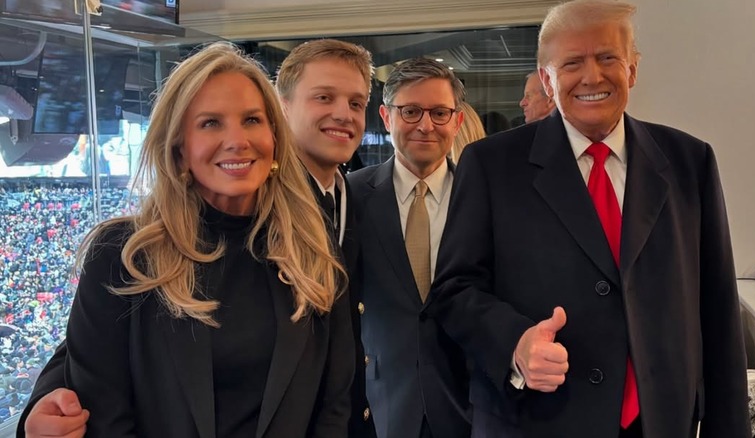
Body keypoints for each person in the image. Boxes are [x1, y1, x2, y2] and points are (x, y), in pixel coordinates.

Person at [428, 1, 750, 438]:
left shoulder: (690, 161)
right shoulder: (491, 165)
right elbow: (452, 290)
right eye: (572, 62)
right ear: (547, 78)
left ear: (632, 69)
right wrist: (515, 342)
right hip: (535, 421)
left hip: (661, 421)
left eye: (607, 58)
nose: (592, 76)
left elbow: (718, 312)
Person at [19, 41, 354, 438]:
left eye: (252, 120)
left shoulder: (312, 246)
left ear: (274, 137)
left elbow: (334, 405)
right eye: (210, 122)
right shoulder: (122, 255)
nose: (237, 140)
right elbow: (102, 409)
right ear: (179, 149)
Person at [348, 57, 470, 438]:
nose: (425, 125)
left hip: (468, 399)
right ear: (386, 117)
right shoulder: (350, 195)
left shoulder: (483, 196)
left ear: (458, 121)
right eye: (411, 111)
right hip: (379, 401)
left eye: (439, 112)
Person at [275, 38, 377, 437]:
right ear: (283, 105)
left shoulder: (351, 192)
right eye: (324, 97)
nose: (343, 114)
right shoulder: (253, 203)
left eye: (356, 103)